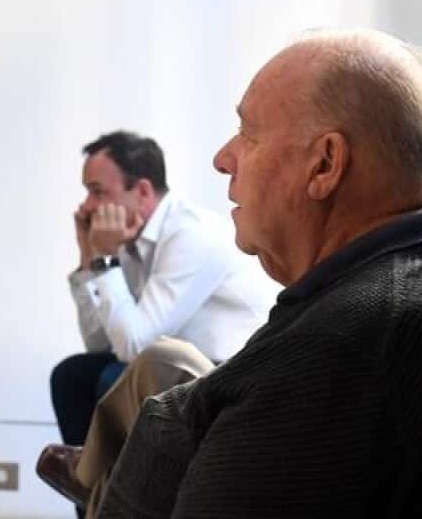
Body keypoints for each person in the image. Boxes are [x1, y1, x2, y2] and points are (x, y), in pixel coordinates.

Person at [96, 27, 422, 517]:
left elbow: (131, 341)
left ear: (324, 165)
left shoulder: (336, 351)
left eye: (248, 132)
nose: (222, 158)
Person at [42, 132, 279, 515]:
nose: (87, 205)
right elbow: (100, 342)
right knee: (71, 375)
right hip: (162, 366)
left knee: (112, 379)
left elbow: (134, 347)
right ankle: (91, 501)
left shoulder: (191, 234)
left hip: (220, 371)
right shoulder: (130, 238)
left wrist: (105, 261)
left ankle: (114, 501)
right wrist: (90, 258)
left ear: (143, 191)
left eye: (97, 191)